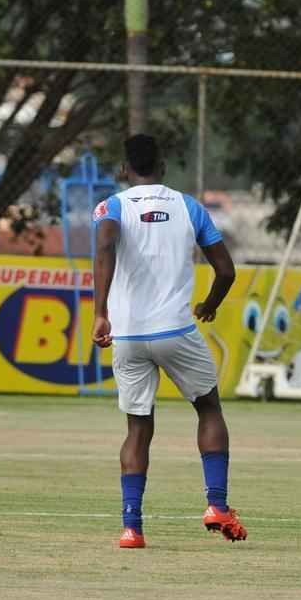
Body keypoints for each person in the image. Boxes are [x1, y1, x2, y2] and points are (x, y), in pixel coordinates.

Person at [91, 134, 243, 548]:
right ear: (163, 167)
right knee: (208, 408)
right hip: (176, 331)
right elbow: (226, 270)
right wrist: (210, 303)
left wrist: (100, 311)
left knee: (138, 429)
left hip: (128, 334)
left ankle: (131, 528)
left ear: (125, 170)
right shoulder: (189, 207)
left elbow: (105, 244)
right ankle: (216, 504)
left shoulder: (111, 206)